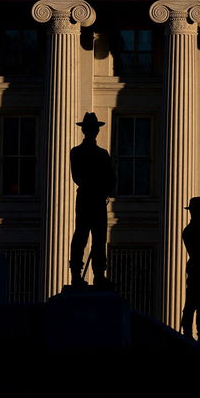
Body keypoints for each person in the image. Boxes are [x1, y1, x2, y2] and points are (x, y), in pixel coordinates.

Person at [69, 112, 116, 289]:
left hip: (98, 198)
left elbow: (111, 177)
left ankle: (99, 274)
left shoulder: (103, 154)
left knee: (99, 238)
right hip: (86, 198)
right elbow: (78, 176)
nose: (92, 132)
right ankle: (75, 273)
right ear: (85, 131)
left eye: (93, 129)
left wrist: (105, 190)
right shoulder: (77, 152)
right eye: (89, 129)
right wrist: (98, 185)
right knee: (81, 235)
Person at [180, 196, 200, 339]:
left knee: (195, 305)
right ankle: (193, 334)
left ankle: (194, 333)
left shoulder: (189, 231)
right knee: (196, 305)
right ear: (195, 212)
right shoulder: (199, 232)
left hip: (197, 271)